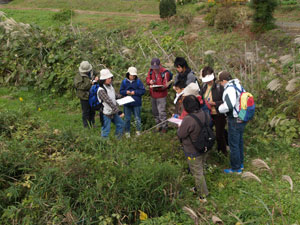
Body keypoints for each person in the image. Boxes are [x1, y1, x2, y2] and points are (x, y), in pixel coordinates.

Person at [177, 95, 211, 202]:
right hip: (205, 146)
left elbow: (181, 134)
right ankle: (198, 188)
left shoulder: (188, 119)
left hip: (192, 150)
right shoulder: (204, 114)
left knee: (197, 172)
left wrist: (180, 126)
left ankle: (203, 196)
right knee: (200, 168)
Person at [218, 71, 247, 174]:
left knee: (233, 144)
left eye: (221, 82)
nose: (221, 84)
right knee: (239, 142)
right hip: (242, 116)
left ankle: (235, 168)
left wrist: (219, 108)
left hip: (234, 118)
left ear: (224, 81)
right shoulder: (238, 85)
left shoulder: (229, 89)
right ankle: (240, 164)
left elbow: (229, 106)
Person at [200, 66, 227, 156]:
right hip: (207, 114)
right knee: (208, 133)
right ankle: (210, 152)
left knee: (220, 134)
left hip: (219, 114)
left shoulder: (220, 88)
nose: (208, 82)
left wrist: (214, 103)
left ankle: (223, 152)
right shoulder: (203, 87)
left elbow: (225, 101)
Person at [146, 58, 171, 133]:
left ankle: (164, 127)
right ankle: (158, 125)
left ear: (160, 65)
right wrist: (150, 82)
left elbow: (165, 85)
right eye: (153, 68)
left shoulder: (165, 73)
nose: (155, 70)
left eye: (156, 68)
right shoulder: (150, 71)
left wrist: (158, 86)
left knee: (161, 111)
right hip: (153, 94)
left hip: (161, 95)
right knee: (155, 111)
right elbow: (147, 79)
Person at [97, 69, 124, 138]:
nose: (110, 79)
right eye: (108, 78)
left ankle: (117, 139)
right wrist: (119, 111)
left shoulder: (110, 86)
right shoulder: (101, 90)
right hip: (106, 113)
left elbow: (114, 95)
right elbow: (109, 102)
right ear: (104, 79)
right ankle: (104, 145)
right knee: (106, 130)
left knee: (120, 124)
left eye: (110, 78)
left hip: (113, 111)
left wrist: (123, 96)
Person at [120, 67, 145, 137]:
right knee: (127, 118)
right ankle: (127, 132)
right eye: (131, 75)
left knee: (137, 118)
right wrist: (126, 92)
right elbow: (121, 91)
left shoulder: (138, 82)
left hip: (136, 103)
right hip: (127, 103)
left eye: (134, 76)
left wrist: (135, 92)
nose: (132, 77)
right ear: (128, 74)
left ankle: (138, 131)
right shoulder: (124, 82)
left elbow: (143, 91)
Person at [74, 61, 97, 128]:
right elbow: (79, 86)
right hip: (84, 96)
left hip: (92, 95)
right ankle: (86, 125)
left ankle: (92, 123)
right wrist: (90, 83)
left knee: (92, 110)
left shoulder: (92, 71)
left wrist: (97, 77)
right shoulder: (78, 76)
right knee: (86, 111)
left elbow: (98, 73)